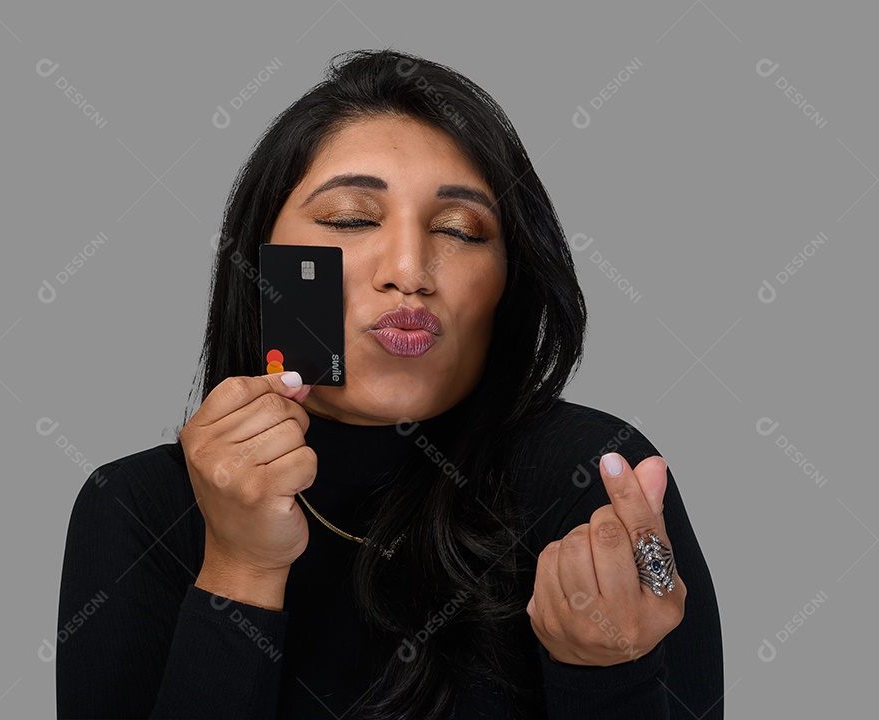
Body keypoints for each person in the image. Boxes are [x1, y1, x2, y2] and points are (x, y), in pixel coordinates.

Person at [55, 48, 723, 719]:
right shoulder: (138, 506)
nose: (410, 270)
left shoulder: (589, 480)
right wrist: (240, 570)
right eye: (351, 219)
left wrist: (609, 672)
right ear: (261, 263)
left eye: (460, 230)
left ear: (507, 284)